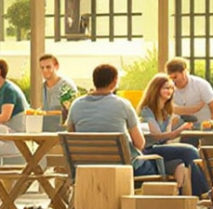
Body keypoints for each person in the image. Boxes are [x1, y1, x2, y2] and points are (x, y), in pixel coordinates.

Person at [73, 64, 202, 195]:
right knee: (181, 157)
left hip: (85, 167)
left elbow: (72, 136)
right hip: (126, 167)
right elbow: (140, 143)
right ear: (115, 81)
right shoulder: (122, 105)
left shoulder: (76, 105)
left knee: (178, 160)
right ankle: (202, 195)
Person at [165, 57, 213, 133]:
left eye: (176, 77)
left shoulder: (200, 84)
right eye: (171, 78)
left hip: (203, 127)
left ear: (185, 72)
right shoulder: (168, 88)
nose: (174, 80)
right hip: (181, 128)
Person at [35, 54, 78, 126]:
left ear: (56, 67)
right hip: (46, 129)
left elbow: (72, 111)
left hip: (63, 130)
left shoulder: (66, 86)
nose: (44, 70)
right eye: (42, 68)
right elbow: (45, 108)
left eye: (48, 67)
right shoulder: (43, 87)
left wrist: (47, 113)